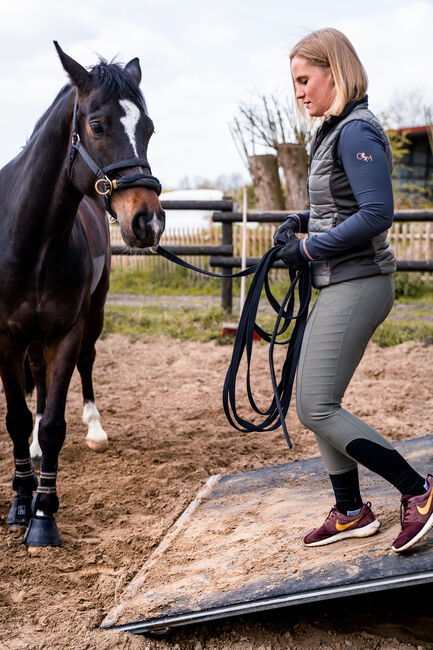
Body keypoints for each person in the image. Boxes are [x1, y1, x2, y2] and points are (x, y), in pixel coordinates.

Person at [273, 27, 433, 553]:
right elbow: (335, 203)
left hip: (360, 281)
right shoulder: (330, 130)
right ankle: (349, 511)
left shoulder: (357, 130)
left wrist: (311, 249)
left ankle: (420, 491)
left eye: (304, 79)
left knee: (315, 406)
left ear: (333, 72)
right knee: (318, 399)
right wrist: (299, 222)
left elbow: (376, 213)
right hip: (339, 281)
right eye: (293, 82)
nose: (298, 91)